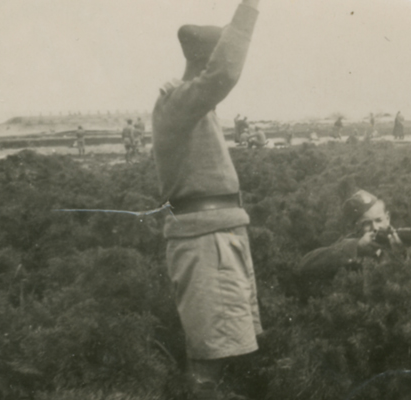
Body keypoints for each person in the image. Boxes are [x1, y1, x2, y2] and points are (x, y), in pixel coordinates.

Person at [150, 1, 261, 397]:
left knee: (226, 342)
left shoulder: (194, 108)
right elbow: (225, 72)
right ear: (208, 63)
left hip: (219, 237)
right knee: (210, 352)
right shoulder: (178, 103)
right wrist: (249, 9)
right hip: (206, 242)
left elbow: (220, 77)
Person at [294, 190, 402, 299]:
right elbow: (304, 265)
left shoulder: (402, 238)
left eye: (379, 220)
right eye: (366, 224)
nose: (375, 228)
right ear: (356, 227)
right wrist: (356, 247)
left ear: (387, 218)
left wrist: (400, 254)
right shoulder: (350, 243)